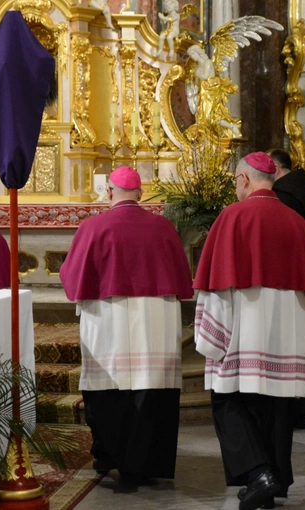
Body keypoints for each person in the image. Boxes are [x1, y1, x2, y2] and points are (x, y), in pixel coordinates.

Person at [193, 152, 305, 510]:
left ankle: (259, 475)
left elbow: (217, 285)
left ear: (243, 180)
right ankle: (274, 482)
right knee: (277, 406)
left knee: (229, 401)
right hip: (286, 332)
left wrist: (213, 336)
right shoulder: (296, 220)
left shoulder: (233, 216)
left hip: (245, 329)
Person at [59, 166, 193, 486]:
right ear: (141, 194)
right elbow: (182, 277)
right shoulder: (162, 227)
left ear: (109, 193)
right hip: (155, 319)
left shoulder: (93, 227)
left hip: (107, 319)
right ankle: (147, 462)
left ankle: (109, 455)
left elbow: (71, 275)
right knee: (151, 387)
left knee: (108, 387)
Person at [267, 149, 305, 426]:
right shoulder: (298, 191)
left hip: (288, 281)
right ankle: (301, 407)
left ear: (276, 168)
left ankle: (294, 409)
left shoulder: (284, 197)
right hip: (302, 279)